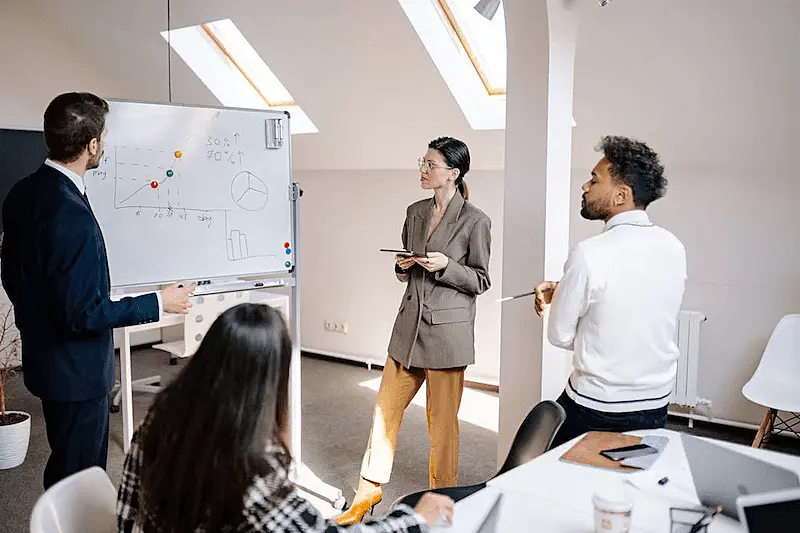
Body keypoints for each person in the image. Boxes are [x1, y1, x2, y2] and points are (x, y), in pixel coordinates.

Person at [117, 303, 454, 532]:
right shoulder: (252, 470)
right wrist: (412, 518)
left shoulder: (159, 418)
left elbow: (127, 512)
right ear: (270, 381)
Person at [0, 92, 194, 489]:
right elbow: (84, 314)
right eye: (103, 136)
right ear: (91, 145)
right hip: (78, 373)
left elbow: (11, 275)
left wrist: (39, 318)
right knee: (82, 478)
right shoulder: (70, 215)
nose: (104, 143)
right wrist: (161, 302)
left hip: (46, 361)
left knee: (66, 467)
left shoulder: (23, 192)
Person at [336, 137, 492, 525]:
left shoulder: (476, 220)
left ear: (452, 174)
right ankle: (366, 495)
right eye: (421, 162)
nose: (423, 170)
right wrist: (403, 267)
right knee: (383, 414)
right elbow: (407, 262)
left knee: (442, 428)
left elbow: (481, 280)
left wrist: (446, 266)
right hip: (407, 331)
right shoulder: (415, 211)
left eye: (431, 164)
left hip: (447, 336)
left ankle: (442, 504)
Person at [534, 135, 687, 448]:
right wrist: (568, 290)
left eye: (594, 178)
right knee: (627, 486)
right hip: (654, 405)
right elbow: (635, 302)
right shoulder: (674, 246)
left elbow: (559, 335)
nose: (585, 186)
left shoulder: (589, 253)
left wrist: (566, 298)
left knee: (553, 479)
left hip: (596, 406)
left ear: (621, 195)